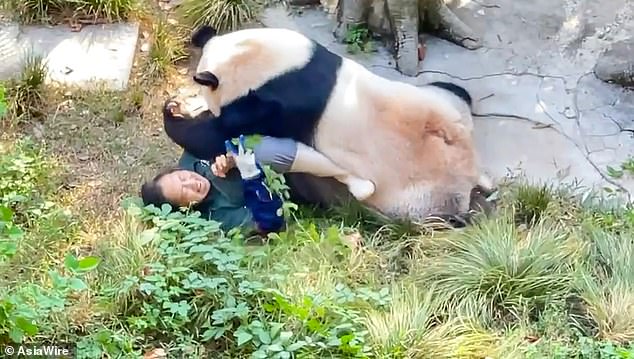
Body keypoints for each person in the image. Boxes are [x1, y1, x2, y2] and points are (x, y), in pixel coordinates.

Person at [141, 135, 286, 235]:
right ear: (184, 208)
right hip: (288, 179)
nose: (192, 183)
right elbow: (270, 221)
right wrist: (248, 172)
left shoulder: (193, 153)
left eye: (182, 177)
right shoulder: (217, 218)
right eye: (184, 192)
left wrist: (228, 152)